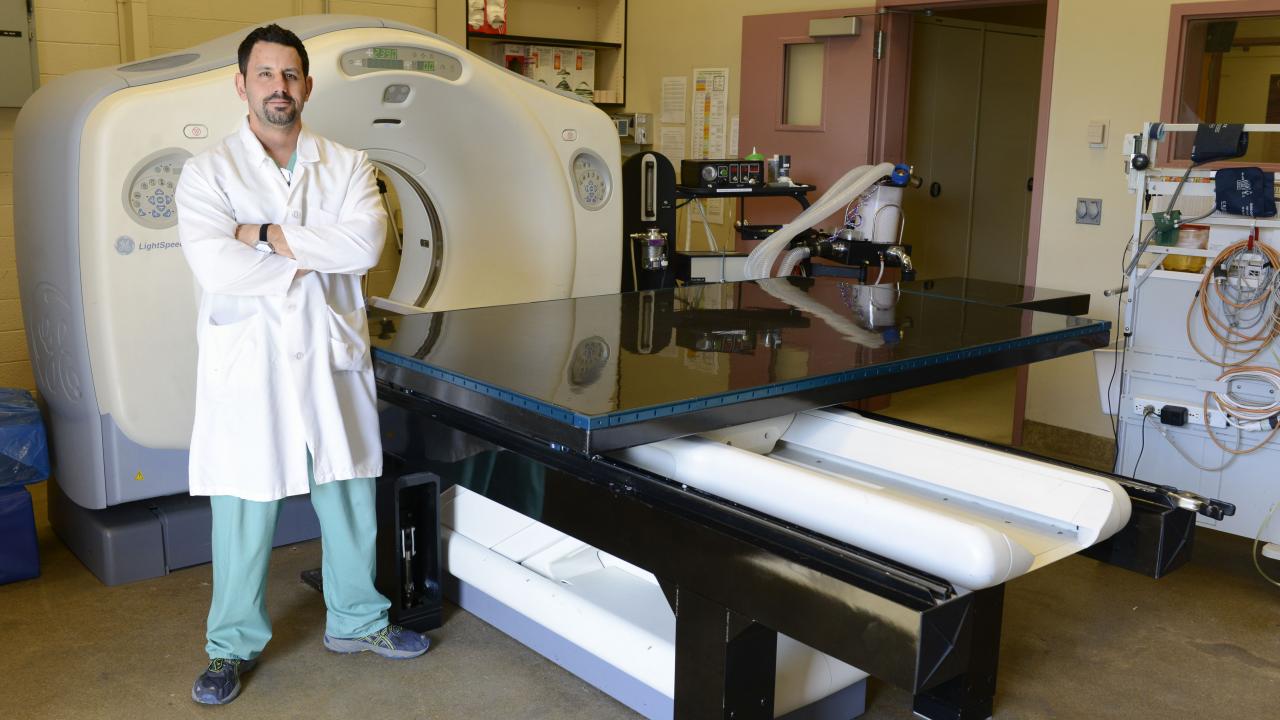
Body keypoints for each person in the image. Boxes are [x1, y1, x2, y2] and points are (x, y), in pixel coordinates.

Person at [175, 23, 429, 706]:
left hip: (327, 354)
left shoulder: (346, 164)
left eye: (290, 76)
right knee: (242, 509)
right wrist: (312, 253)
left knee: (347, 495)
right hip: (249, 362)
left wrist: (261, 235)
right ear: (242, 85)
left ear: (307, 87)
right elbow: (214, 264)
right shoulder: (207, 173)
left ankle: (358, 622)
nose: (278, 88)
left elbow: (366, 245)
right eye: (265, 75)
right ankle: (229, 648)